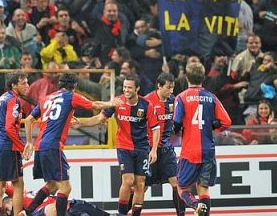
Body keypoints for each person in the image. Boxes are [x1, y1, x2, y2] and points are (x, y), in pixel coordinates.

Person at [23, 73, 121, 216]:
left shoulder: (45, 99)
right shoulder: (70, 96)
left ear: (59, 84)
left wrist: (29, 142)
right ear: (74, 86)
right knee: (65, 188)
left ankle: (27, 212)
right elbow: (95, 105)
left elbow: (28, 120)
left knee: (52, 185)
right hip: (53, 146)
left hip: (40, 146)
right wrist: (111, 103)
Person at [72, 74, 160, 216]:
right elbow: (100, 118)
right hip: (124, 147)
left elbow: (155, 129)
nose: (126, 90)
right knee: (128, 180)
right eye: (125, 87)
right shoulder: (117, 102)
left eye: (129, 87)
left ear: (137, 88)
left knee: (140, 183)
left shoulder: (146, 105)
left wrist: (154, 150)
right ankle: (121, 214)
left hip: (142, 148)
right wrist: (81, 123)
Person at [173, 62, 232, 216]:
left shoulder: (181, 97)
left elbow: (177, 122)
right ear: (203, 78)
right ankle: (203, 209)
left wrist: (178, 131)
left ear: (186, 77)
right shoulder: (211, 97)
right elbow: (226, 122)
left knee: (182, 188)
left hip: (190, 151)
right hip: (208, 151)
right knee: (203, 188)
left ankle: (196, 205)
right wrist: (211, 127)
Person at [0, 71, 30, 216]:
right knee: (18, 184)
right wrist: (22, 147)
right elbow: (9, 128)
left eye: (27, 82)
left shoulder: (2, 97)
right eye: (23, 83)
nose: (27, 86)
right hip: (7, 145)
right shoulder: (14, 100)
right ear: (14, 85)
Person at [144, 73, 186, 216]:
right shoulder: (147, 102)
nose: (171, 91)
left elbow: (179, 122)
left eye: (172, 88)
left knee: (177, 183)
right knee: (141, 187)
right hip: (149, 149)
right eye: (168, 88)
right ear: (159, 86)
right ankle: (124, 213)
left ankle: (181, 214)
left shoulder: (173, 102)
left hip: (166, 149)